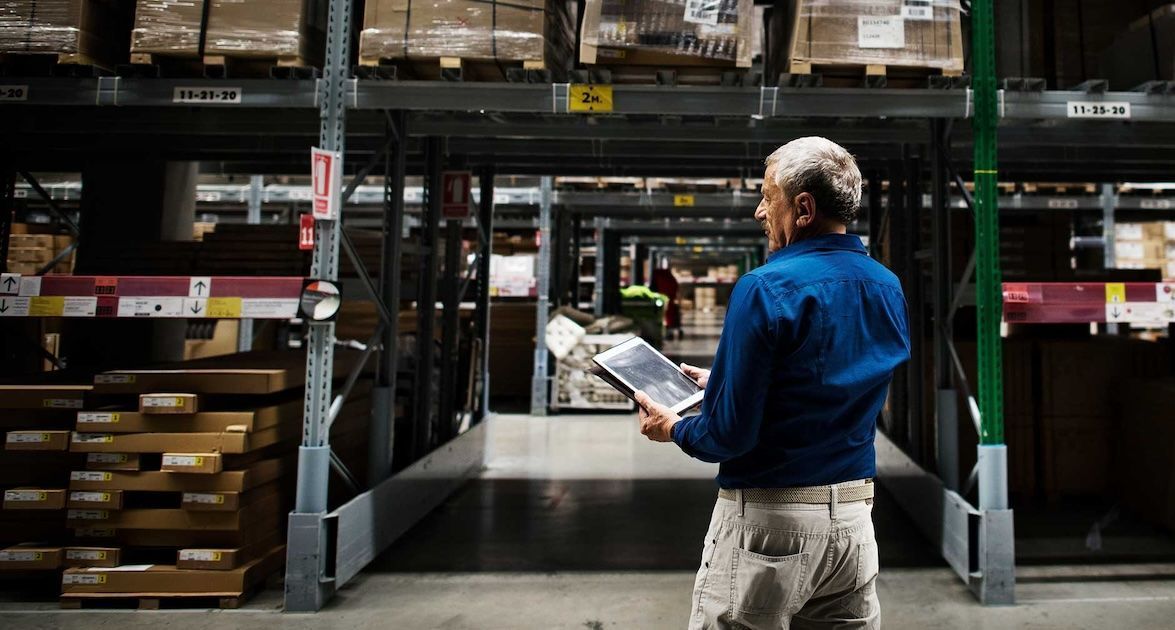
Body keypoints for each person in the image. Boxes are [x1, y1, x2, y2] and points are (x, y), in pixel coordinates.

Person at [633, 137, 911, 630]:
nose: (761, 210)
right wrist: (727, 377)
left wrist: (672, 426)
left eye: (768, 196)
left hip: (768, 530)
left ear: (803, 208)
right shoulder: (885, 286)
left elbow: (727, 436)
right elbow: (829, 379)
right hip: (852, 527)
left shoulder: (765, 287)